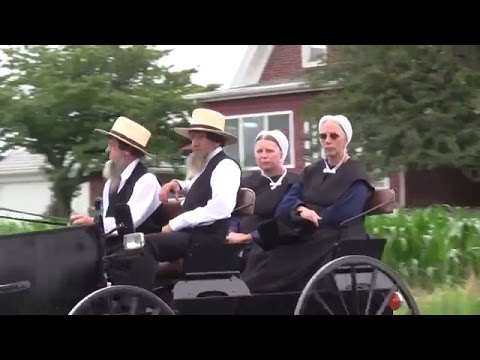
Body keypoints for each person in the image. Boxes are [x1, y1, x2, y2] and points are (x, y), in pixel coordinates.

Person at [240, 114, 375, 294]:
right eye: (323, 136)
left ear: (346, 139)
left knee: (279, 261)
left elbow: (344, 213)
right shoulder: (312, 170)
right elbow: (289, 200)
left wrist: (312, 216)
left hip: (336, 233)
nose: (327, 141)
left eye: (333, 136)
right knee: (263, 251)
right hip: (307, 228)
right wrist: (301, 209)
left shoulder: (356, 173)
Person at [109, 108, 242, 290]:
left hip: (206, 237)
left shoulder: (226, 166)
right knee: (131, 246)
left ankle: (139, 300)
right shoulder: (207, 165)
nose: (193, 143)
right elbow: (195, 185)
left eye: (199, 138)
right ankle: (123, 296)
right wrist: (177, 184)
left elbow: (221, 207)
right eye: (192, 137)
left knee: (143, 245)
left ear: (215, 139)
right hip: (192, 235)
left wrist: (176, 223)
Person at [70, 116, 163, 253]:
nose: (107, 150)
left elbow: (128, 223)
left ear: (126, 150)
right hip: (113, 250)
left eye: (112, 145)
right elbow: (107, 220)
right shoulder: (111, 184)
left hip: (139, 253)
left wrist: (94, 222)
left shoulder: (147, 181)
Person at [225, 129, 299, 263]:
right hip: (239, 243)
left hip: (276, 243)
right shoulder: (246, 183)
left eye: (269, 151)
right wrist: (231, 233)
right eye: (259, 151)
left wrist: (249, 237)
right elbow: (234, 214)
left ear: (282, 153)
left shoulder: (295, 182)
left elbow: (288, 221)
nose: (263, 156)